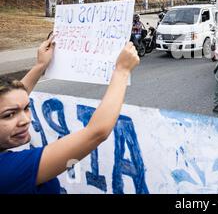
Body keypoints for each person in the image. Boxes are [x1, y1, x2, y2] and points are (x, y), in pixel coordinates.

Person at [0, 37, 140, 194]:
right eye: (9, 115)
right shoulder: (8, 171)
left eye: (27, 107)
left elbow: (12, 98)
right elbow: (96, 133)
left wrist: (40, 66)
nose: (26, 120)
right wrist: (122, 71)